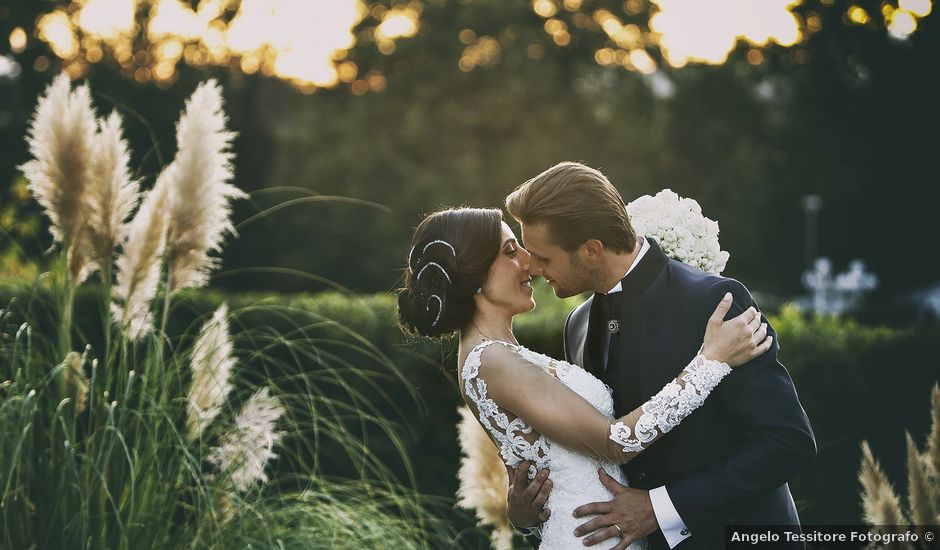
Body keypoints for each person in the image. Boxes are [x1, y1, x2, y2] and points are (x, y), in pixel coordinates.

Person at [397, 207, 773, 549]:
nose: (529, 261)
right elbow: (616, 442)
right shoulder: (491, 360)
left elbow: (540, 466)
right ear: (475, 274)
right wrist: (711, 361)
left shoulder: (501, 355)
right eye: (511, 252)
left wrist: (523, 515)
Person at [503, 162, 816, 549]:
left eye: (543, 258)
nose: (531, 268)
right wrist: (527, 511)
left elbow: (788, 441)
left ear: (592, 250)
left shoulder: (714, 303)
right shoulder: (577, 325)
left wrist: (662, 508)